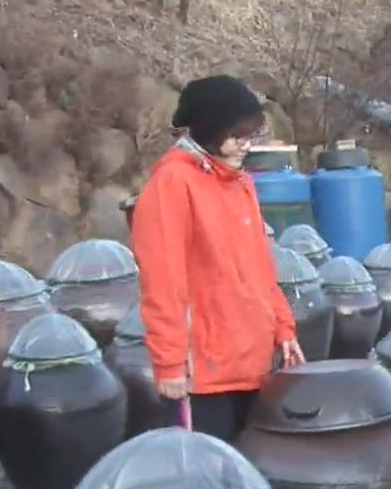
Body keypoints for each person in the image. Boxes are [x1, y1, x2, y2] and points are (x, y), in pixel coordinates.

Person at [131, 74, 306, 442]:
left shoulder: (240, 183)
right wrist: (169, 364)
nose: (246, 145)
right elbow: (163, 282)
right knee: (208, 481)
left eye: (249, 135)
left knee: (251, 476)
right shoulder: (172, 185)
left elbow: (260, 268)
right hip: (204, 375)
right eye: (236, 136)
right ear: (209, 131)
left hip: (252, 360)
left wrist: (283, 328)